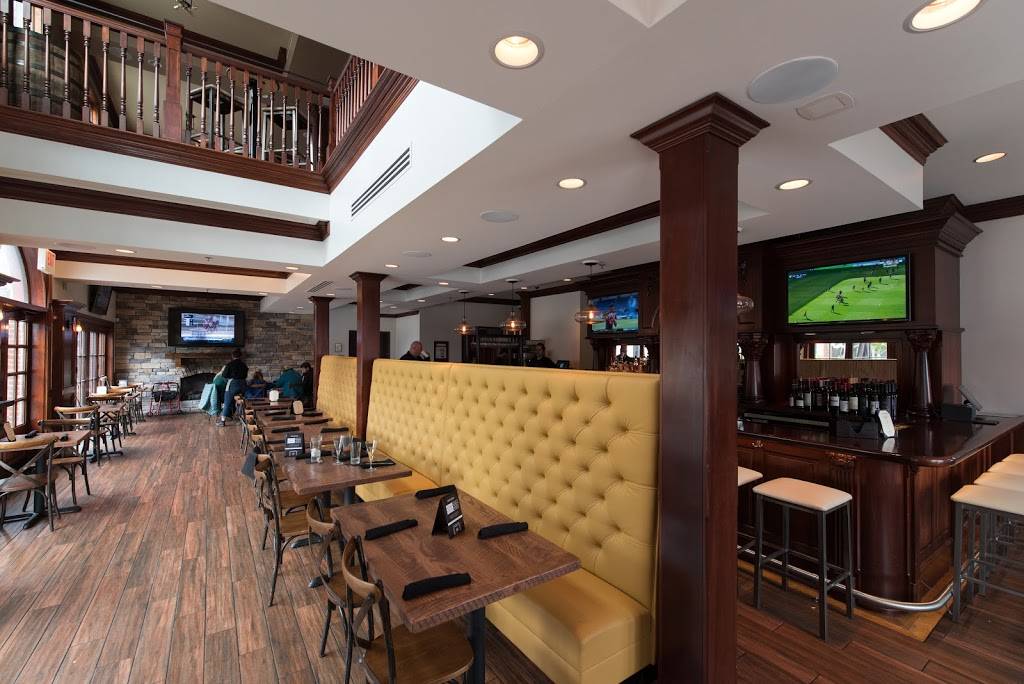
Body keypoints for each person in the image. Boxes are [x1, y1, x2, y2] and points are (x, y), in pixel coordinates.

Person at [216, 349, 248, 427]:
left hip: (233, 384)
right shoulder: (244, 365)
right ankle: (242, 419)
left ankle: (222, 421)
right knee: (241, 401)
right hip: (243, 385)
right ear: (241, 356)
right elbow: (245, 376)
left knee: (227, 402)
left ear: (232, 356)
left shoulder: (229, 364)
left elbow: (224, 375)